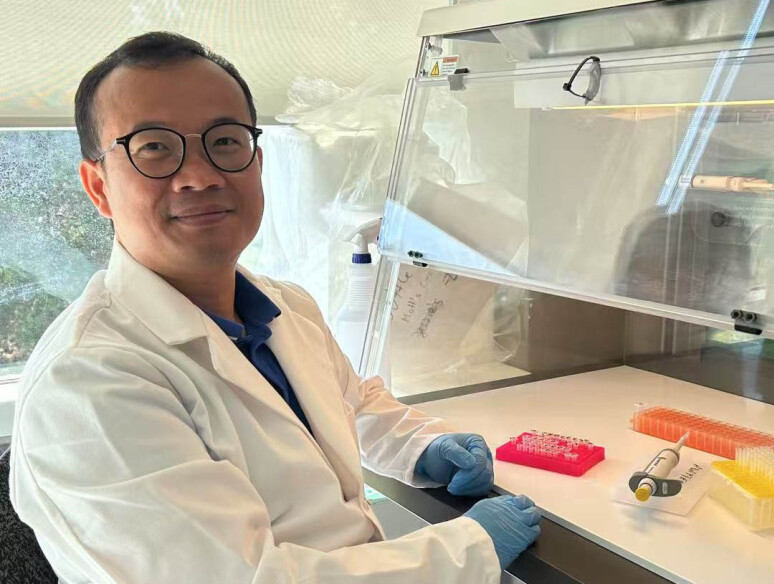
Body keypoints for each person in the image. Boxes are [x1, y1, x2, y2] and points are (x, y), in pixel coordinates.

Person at [9, 32, 540, 584]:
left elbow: (348, 403)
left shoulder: (283, 307)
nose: (201, 176)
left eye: (225, 141)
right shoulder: (87, 383)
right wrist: (468, 547)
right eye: (154, 148)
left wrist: (420, 445)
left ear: (257, 163)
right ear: (97, 186)